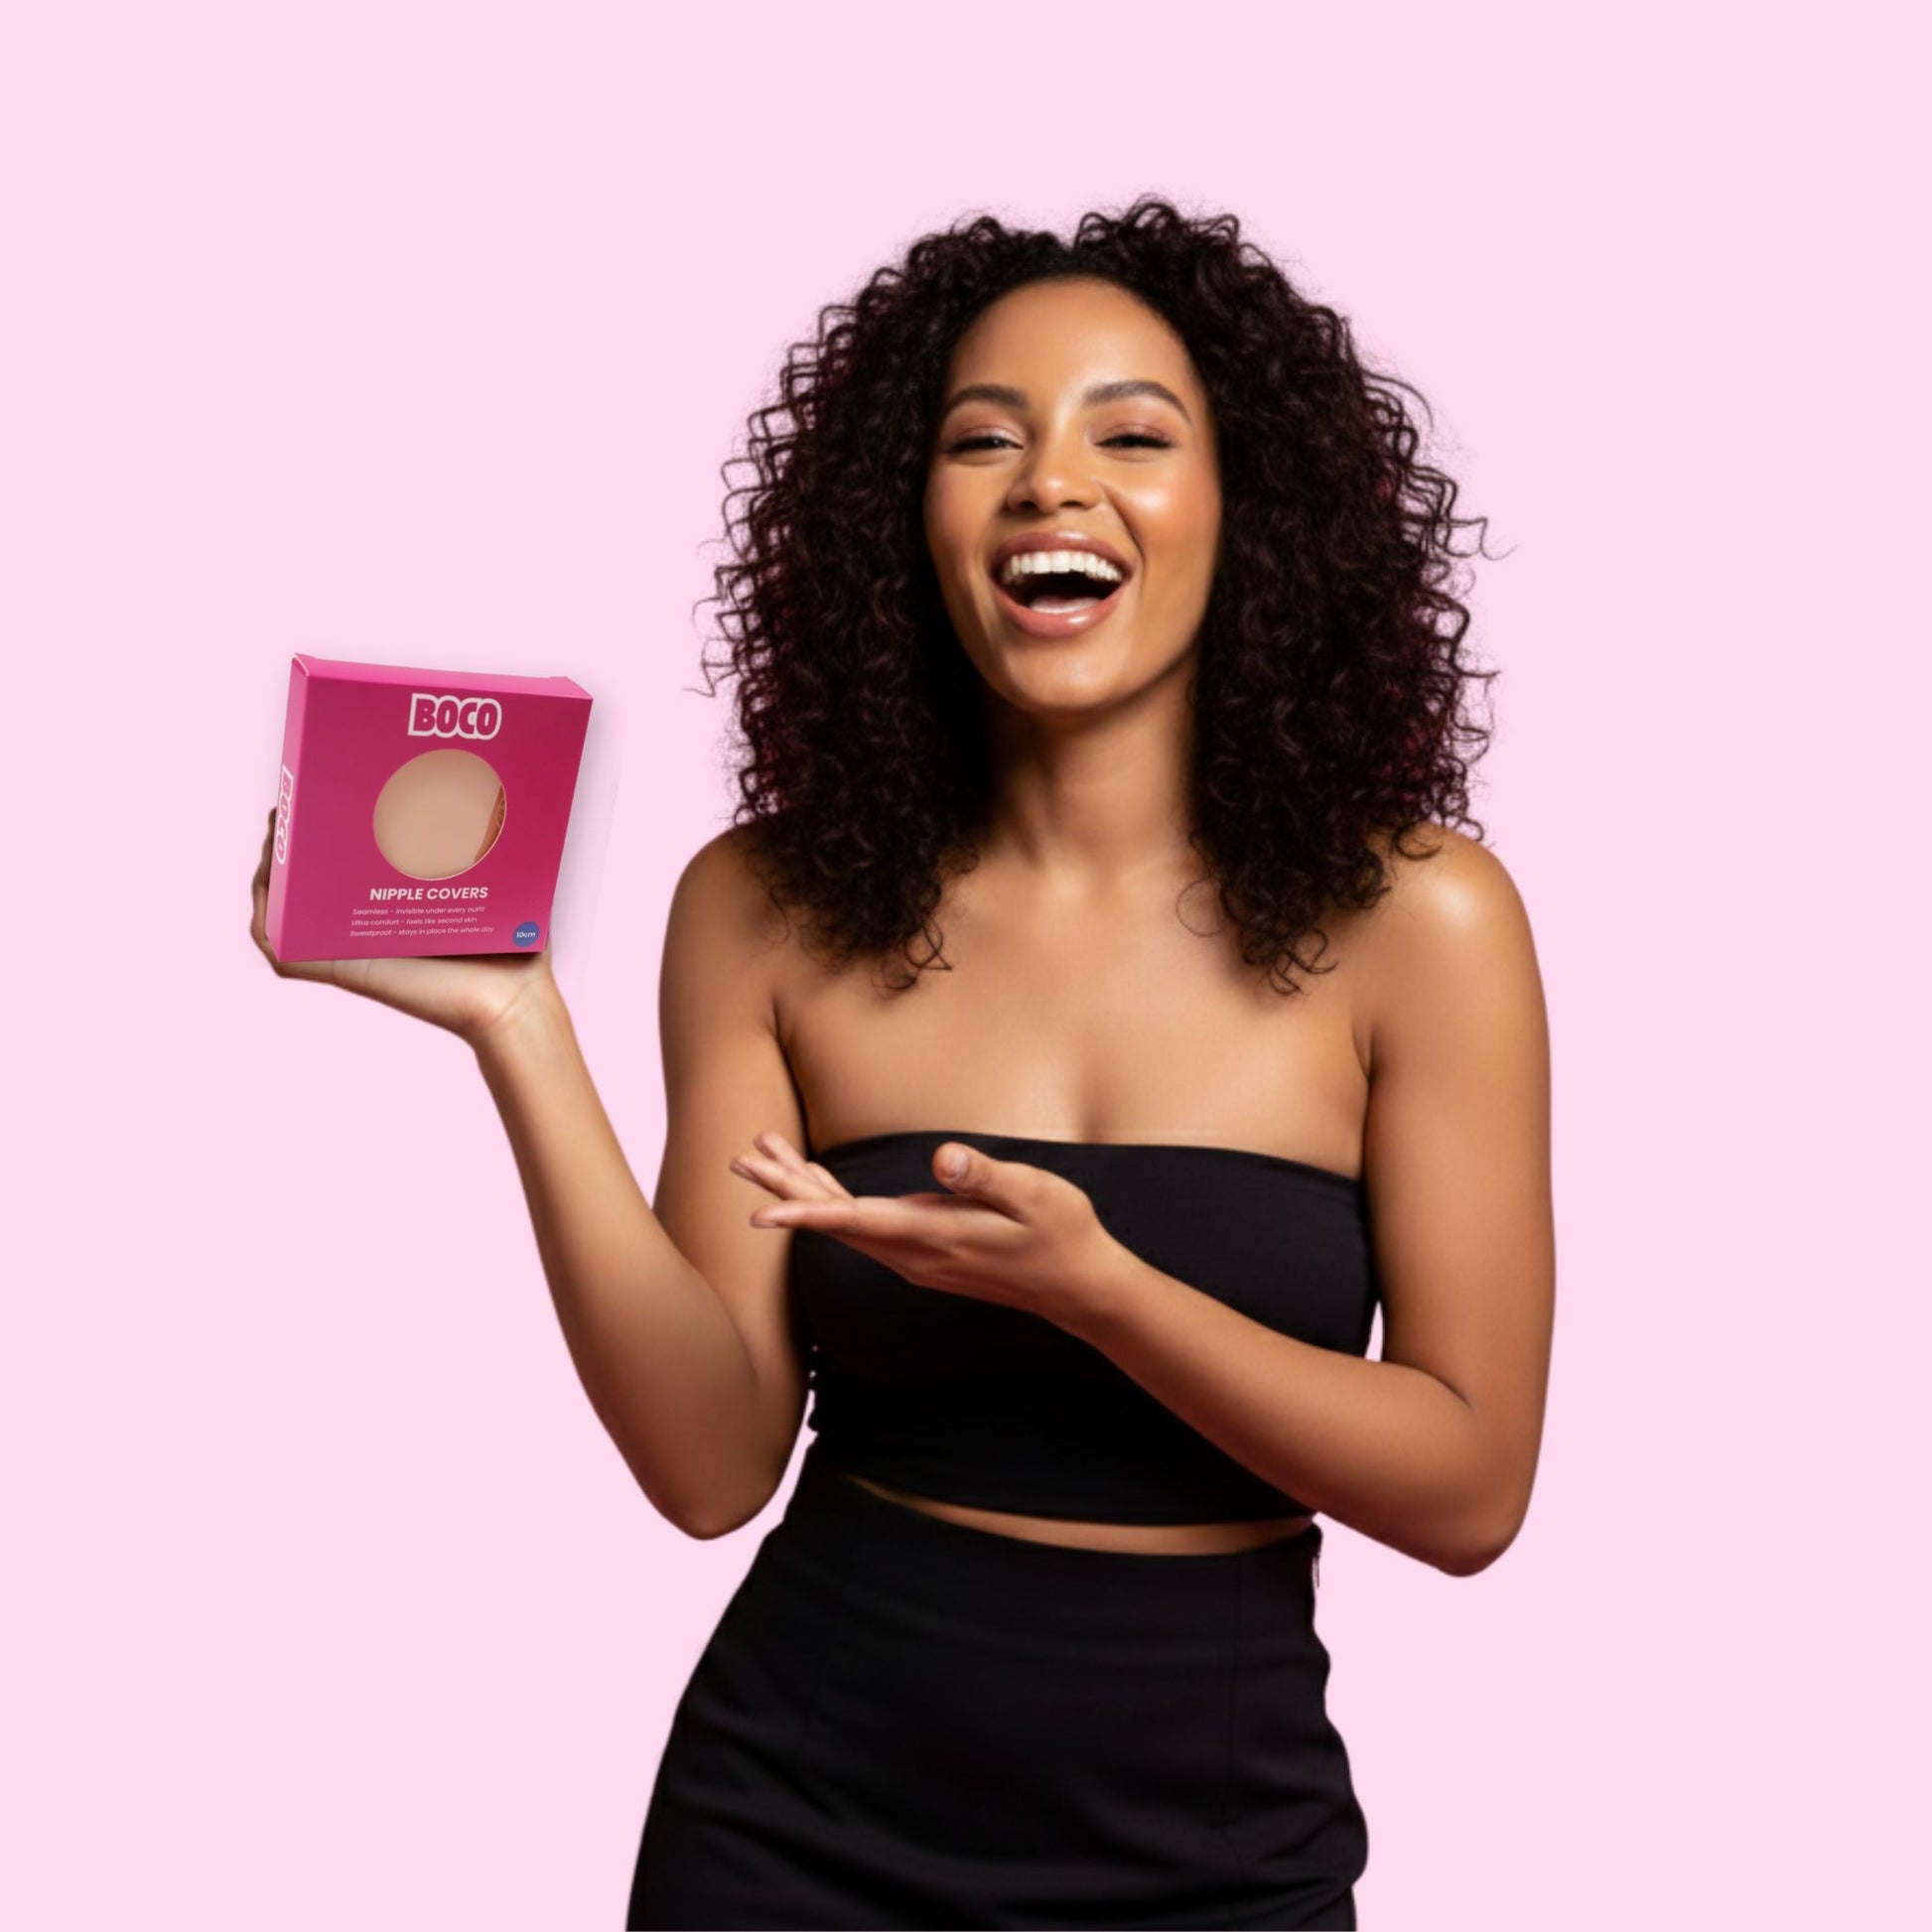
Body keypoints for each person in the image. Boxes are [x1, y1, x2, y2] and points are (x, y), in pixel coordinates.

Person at [250, 197, 1555, 1930]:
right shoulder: (768, 905)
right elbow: (711, 1467)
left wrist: (1100, 1291)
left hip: (1211, 1850)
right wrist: (516, 1028)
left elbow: (1470, 1488)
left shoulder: (1421, 920)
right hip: (793, 1820)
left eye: (1133, 435)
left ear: (1251, 511)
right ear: (907, 522)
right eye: (981, 440)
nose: (1048, 484)